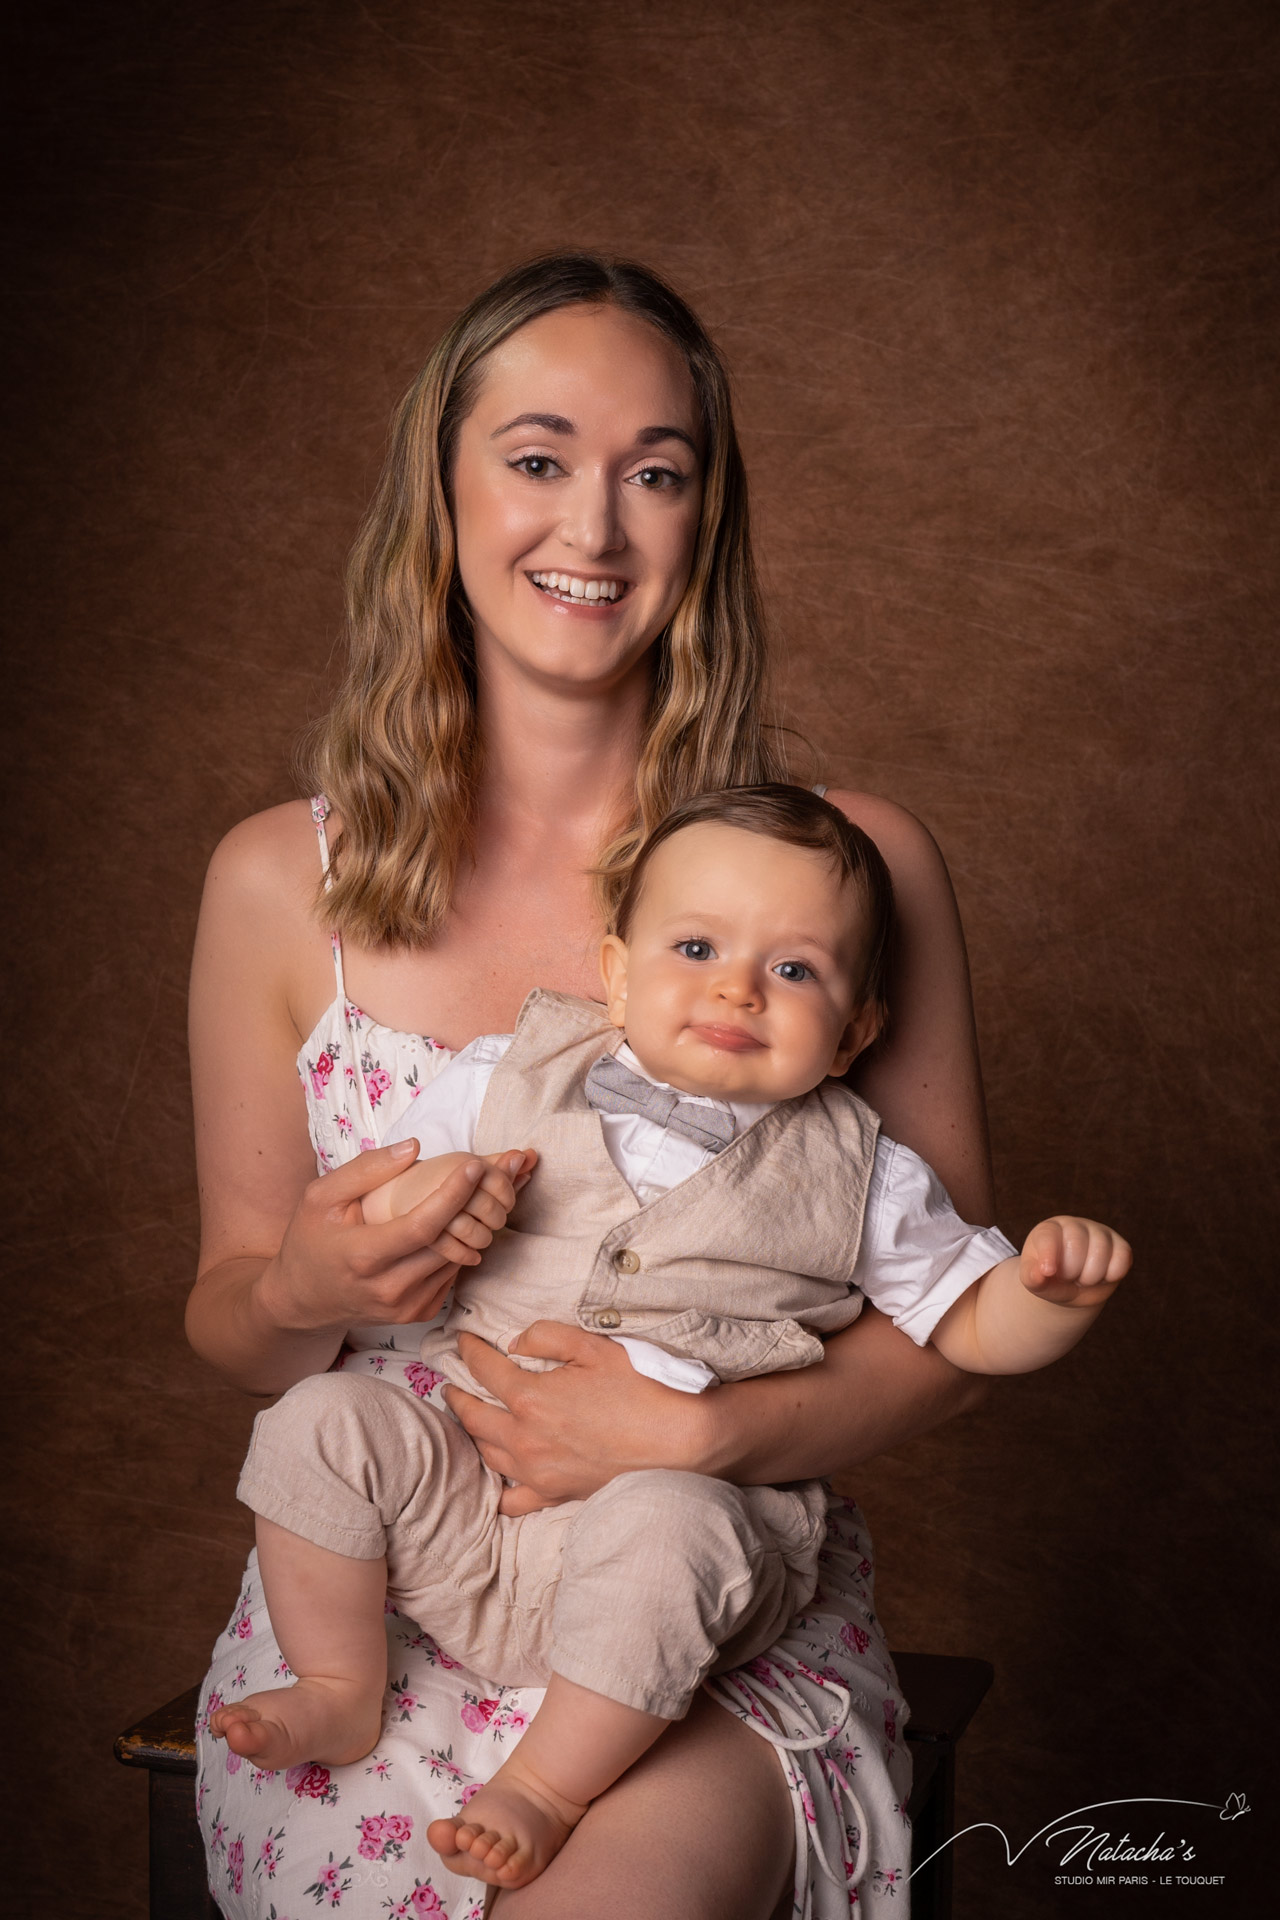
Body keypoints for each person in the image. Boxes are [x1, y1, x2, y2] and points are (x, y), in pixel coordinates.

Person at [188, 252, 1001, 1920]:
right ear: (446, 490)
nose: (596, 528)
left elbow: (955, 1337)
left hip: (701, 1602)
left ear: (709, 521)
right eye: (540, 458)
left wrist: (702, 1432)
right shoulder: (282, 882)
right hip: (386, 1591)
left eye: (657, 473)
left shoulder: (852, 875)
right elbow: (231, 1320)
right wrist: (301, 1284)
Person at [208, 786, 1129, 1894]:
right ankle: (339, 1681)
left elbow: (965, 1324)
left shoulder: (862, 1172)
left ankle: (544, 1791)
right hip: (454, 1505)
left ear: (857, 1034)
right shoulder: (507, 1075)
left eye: (793, 971)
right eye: (695, 947)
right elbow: (370, 1213)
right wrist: (396, 1227)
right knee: (321, 1421)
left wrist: (1043, 1294)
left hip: (673, 1569)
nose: (736, 985)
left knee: (672, 1522)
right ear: (615, 973)